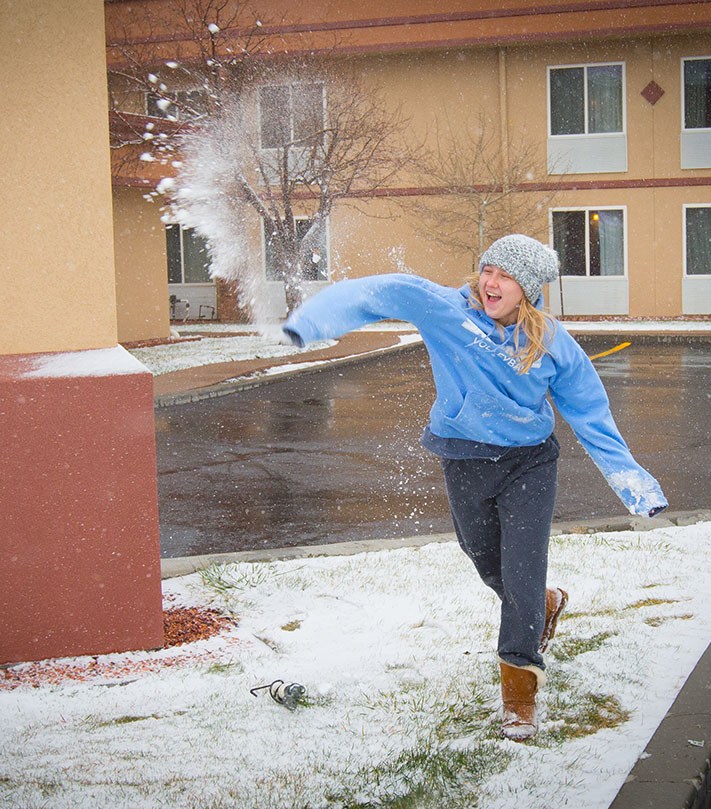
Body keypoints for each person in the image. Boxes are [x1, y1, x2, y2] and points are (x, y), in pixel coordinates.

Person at [281, 233, 667, 741]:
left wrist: (634, 484)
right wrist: (307, 324)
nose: (491, 282)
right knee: (485, 560)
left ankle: (519, 694)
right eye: (488, 269)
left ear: (526, 288)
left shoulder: (550, 341)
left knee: (522, 572)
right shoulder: (446, 310)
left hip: (529, 465)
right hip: (464, 458)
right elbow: (381, 292)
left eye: (505, 275)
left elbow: (590, 414)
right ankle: (544, 605)